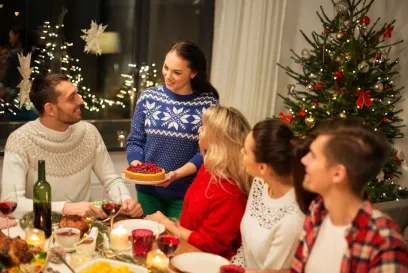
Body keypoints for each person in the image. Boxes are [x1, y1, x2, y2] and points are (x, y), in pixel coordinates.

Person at [1, 73, 143, 219]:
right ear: (50, 109)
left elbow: (111, 180)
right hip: (40, 230)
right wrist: (64, 208)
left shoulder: (89, 132)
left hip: (87, 229)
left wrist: (125, 200)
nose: (80, 101)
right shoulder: (20, 140)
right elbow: (12, 202)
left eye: (77, 94)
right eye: (72, 97)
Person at [287, 118, 408, 273]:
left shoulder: (384, 243)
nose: (303, 160)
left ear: (338, 173)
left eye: (314, 156)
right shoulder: (317, 210)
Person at [126, 41, 219, 218]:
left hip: (185, 193)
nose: (168, 76)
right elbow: (135, 141)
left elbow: (207, 151)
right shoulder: (148, 97)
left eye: (177, 72)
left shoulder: (208, 104)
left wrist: (177, 174)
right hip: (147, 192)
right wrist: (137, 168)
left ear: (193, 73)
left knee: (177, 244)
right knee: (148, 240)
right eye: (165, 68)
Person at [146, 106, 250, 259]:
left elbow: (209, 245)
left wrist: (166, 223)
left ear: (216, 139)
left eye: (203, 127)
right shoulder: (208, 170)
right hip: (188, 253)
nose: (199, 131)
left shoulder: (230, 192)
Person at [231, 119, 316, 271]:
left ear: (263, 167)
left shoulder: (293, 220)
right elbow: (246, 250)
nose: (241, 152)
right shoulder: (260, 183)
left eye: (246, 151)